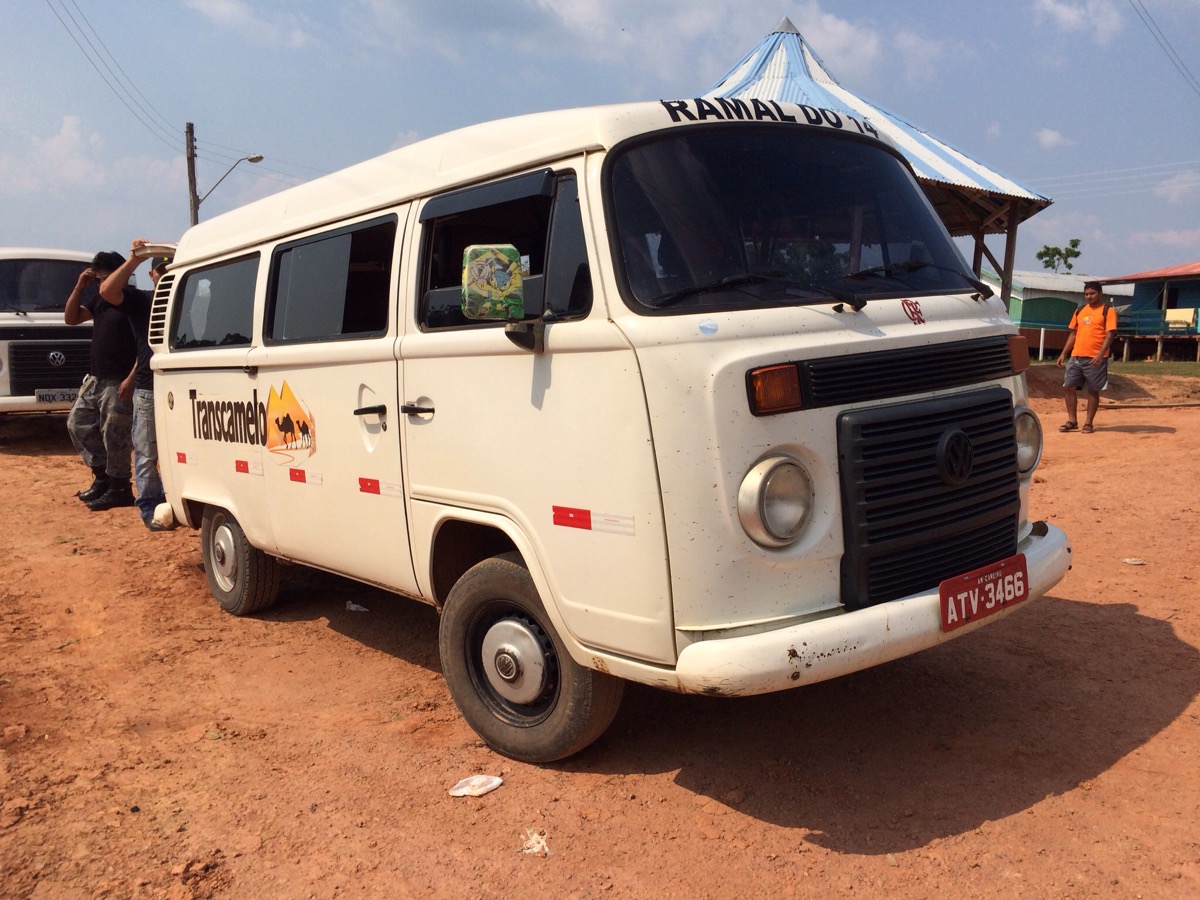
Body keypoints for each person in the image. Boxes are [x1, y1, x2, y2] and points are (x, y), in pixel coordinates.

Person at [64, 251, 142, 510]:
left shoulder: (132, 300)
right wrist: (79, 287)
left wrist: (132, 378)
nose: (101, 283)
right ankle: (102, 477)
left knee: (115, 434)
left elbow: (146, 343)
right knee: (78, 423)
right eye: (98, 279)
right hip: (96, 377)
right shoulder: (99, 300)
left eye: (105, 277)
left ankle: (120, 487)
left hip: (119, 379)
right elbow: (71, 318)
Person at [98, 241, 167, 528]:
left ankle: (172, 500)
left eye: (172, 269)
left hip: (181, 384)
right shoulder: (141, 300)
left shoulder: (189, 296)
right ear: (152, 275)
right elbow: (107, 291)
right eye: (161, 271)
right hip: (150, 388)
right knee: (146, 452)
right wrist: (134, 260)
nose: (167, 275)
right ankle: (150, 506)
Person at [1056, 280, 1117, 434]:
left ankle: (1088, 423)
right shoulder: (1080, 310)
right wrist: (1063, 353)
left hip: (1095, 358)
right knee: (1069, 387)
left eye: (1092, 293)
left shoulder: (1108, 311)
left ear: (1100, 293)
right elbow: (1073, 334)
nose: (1089, 296)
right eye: (1086, 294)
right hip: (1076, 356)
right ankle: (1072, 421)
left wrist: (1100, 354)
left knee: (1093, 390)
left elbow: (1110, 335)